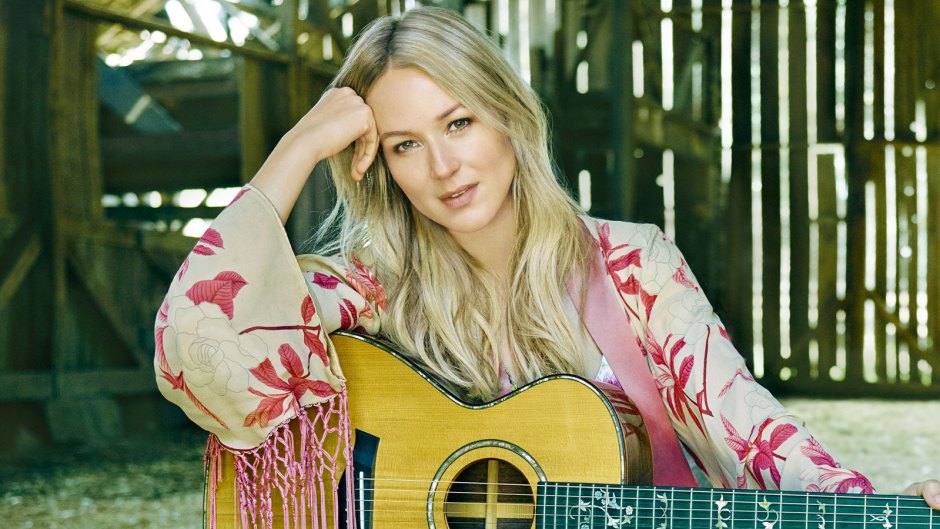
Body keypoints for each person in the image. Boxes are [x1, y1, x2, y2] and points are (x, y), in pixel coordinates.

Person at [154, 5, 939, 525]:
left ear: (508, 114)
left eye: (458, 121)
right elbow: (202, 352)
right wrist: (298, 147)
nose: (443, 165)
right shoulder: (370, 284)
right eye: (404, 144)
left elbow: (750, 427)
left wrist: (887, 508)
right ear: (380, 163)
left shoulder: (634, 265)